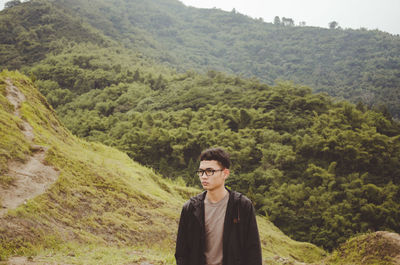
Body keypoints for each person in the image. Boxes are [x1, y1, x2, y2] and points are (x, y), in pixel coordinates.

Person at [175, 147, 262, 265]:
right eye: (201, 172)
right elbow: (181, 252)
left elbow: (253, 251)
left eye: (210, 171)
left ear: (225, 173)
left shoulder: (242, 206)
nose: (204, 176)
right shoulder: (190, 208)